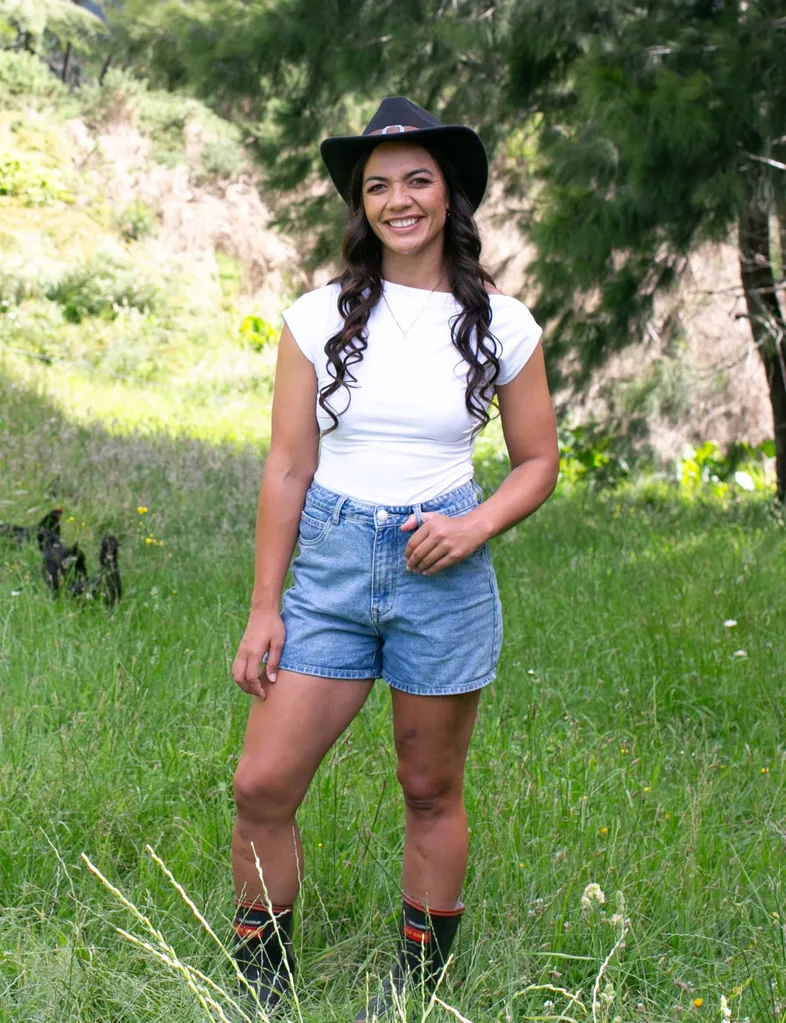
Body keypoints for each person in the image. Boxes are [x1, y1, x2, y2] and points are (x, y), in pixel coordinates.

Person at [229, 95, 559, 1019]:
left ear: (449, 195)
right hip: (332, 570)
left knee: (429, 787)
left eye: (418, 180)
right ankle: (263, 986)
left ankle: (417, 989)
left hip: (441, 570)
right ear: (360, 204)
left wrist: (474, 526)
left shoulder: (503, 323)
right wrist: (265, 606)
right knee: (261, 784)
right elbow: (288, 466)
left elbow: (538, 462)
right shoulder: (315, 317)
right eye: (378, 186)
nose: (398, 200)